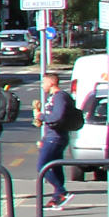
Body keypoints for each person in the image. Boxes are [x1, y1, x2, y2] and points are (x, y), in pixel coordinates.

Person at [37, 71, 83, 209]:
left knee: (42, 167)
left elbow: (57, 117)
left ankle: (61, 191)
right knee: (55, 166)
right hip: (51, 137)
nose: (42, 86)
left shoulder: (60, 97)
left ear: (51, 82)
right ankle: (58, 196)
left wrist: (42, 116)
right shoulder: (53, 97)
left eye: (43, 82)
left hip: (55, 138)